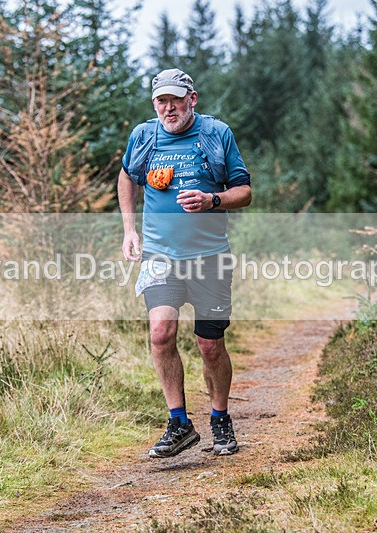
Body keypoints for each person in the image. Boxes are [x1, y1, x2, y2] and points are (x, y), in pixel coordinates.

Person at [117, 68, 252, 458]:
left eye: (176, 99)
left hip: (210, 257)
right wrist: (129, 230)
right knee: (160, 332)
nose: (169, 107)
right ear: (154, 103)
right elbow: (127, 177)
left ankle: (220, 418)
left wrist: (213, 200)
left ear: (193, 98)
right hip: (161, 255)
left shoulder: (216, 134)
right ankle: (179, 422)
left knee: (210, 345)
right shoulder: (144, 136)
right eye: (161, 100)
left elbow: (243, 191)